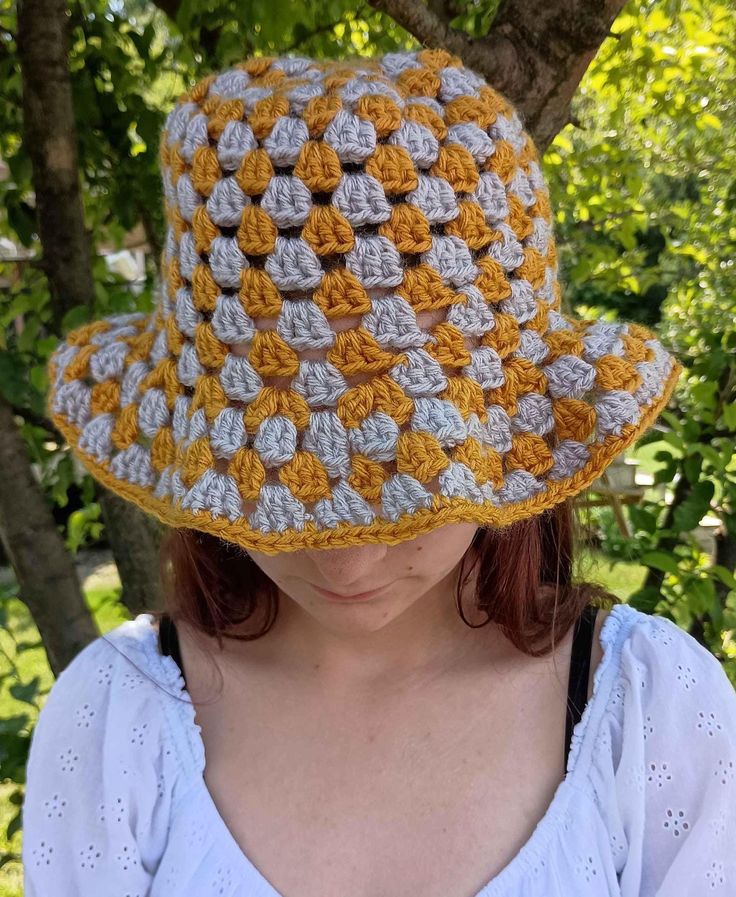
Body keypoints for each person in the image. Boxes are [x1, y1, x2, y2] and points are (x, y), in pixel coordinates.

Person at [22, 48, 735, 897]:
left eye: (410, 479)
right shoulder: (112, 724)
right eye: (277, 480)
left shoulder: (652, 716)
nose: (347, 560)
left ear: (502, 438)